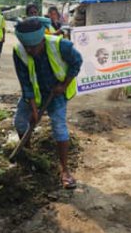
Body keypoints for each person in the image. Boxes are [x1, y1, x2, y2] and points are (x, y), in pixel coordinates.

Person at [12, 16, 82, 189]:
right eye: (26, 47)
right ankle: (28, 156)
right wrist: (34, 108)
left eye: (33, 47)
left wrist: (64, 85)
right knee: (20, 122)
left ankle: (64, 170)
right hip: (36, 93)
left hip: (56, 93)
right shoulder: (19, 51)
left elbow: (77, 62)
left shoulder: (61, 45)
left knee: (59, 127)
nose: (28, 51)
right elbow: (25, 82)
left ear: (42, 39)